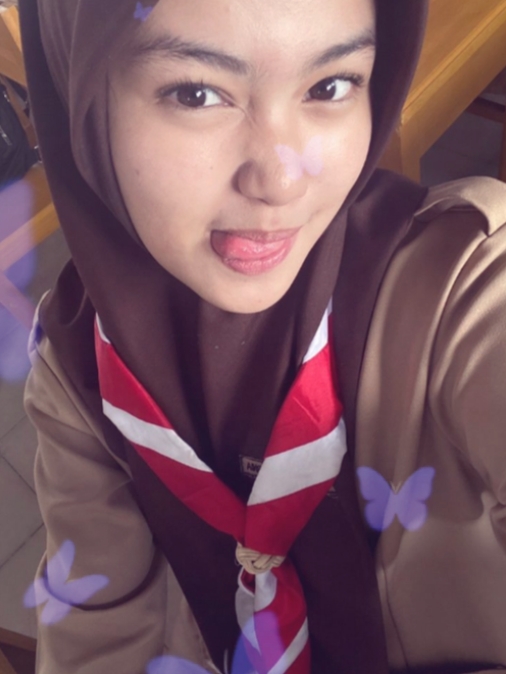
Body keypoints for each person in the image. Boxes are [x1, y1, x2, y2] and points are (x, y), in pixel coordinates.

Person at [18, 0, 506, 671]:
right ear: (81, 95)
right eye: (196, 94)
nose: (281, 179)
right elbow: (94, 629)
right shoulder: (76, 366)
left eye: (330, 85)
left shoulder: (465, 283)